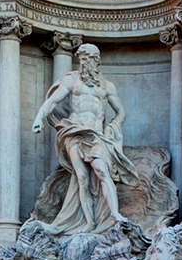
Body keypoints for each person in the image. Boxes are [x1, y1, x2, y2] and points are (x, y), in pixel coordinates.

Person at [30, 42, 133, 234]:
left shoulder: (107, 86)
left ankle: (114, 215)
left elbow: (121, 111)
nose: (85, 63)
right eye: (82, 59)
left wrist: (114, 125)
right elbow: (53, 101)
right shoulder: (72, 81)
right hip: (74, 131)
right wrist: (39, 117)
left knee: (102, 171)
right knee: (82, 179)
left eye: (88, 58)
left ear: (97, 60)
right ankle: (89, 223)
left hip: (96, 135)